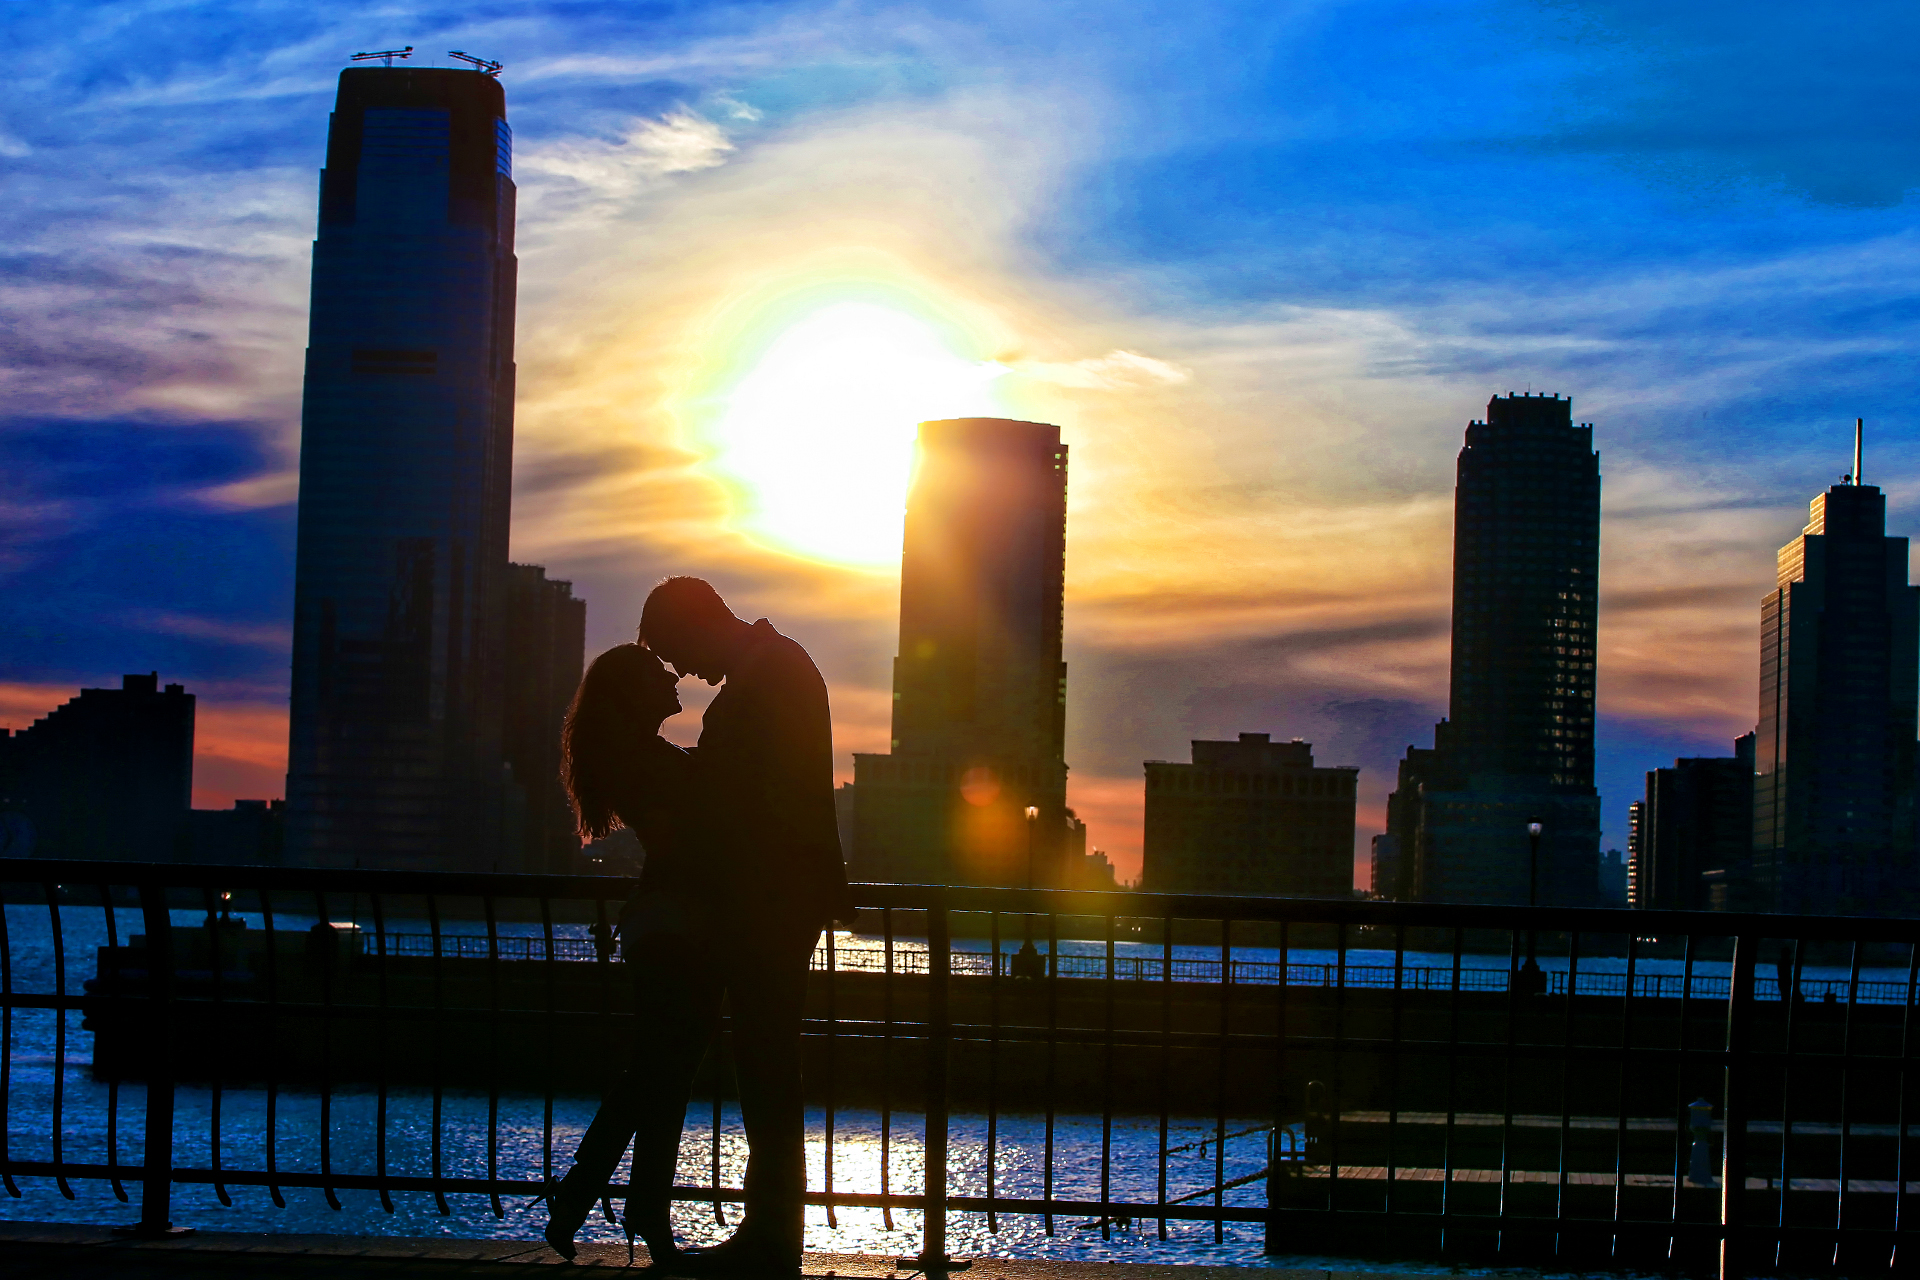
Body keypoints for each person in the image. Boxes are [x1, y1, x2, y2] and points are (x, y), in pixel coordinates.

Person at [545, 580, 852, 1275]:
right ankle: (755, 1232)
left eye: (675, 650)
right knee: (741, 1068)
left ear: (698, 623)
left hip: (764, 905)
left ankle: (761, 1235)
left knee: (741, 1069)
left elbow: (735, 803)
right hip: (759, 905)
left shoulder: (762, 680)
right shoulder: (772, 671)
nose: (678, 669)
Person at [543, 642, 703, 1263]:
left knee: (659, 1073)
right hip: (677, 927)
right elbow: (686, 839)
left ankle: (594, 1203)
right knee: (664, 1076)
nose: (674, 673)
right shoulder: (652, 762)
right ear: (638, 694)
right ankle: (625, 1210)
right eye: (659, 672)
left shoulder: (641, 759)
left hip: (661, 924)